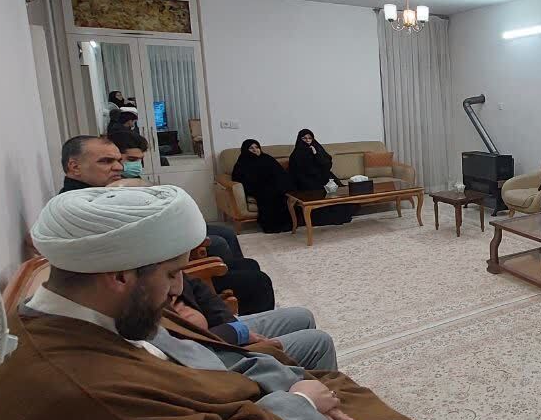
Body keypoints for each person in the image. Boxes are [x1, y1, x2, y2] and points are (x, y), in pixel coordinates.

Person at [0, 186, 488, 420]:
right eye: (171, 274)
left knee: (339, 388)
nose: (177, 290)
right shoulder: (78, 392)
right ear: (118, 276)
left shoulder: (68, 317)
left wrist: (279, 378)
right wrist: (301, 404)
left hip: (240, 397)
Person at [59, 136, 269, 312]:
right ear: (74, 166)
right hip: (160, 284)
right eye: (106, 161)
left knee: (249, 264)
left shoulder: (99, 192)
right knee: (257, 280)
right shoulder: (83, 207)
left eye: (118, 160)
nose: (118, 167)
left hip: (169, 271)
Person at [171, 275, 336, 371]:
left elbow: (196, 287)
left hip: (219, 331)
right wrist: (239, 336)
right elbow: (186, 341)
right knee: (320, 342)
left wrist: (236, 329)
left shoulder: (163, 264)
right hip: (207, 356)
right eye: (171, 273)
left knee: (302, 316)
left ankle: (302, 382)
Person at [288, 129, 353, 225]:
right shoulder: (296, 154)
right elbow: (296, 172)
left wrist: (316, 154)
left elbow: (327, 164)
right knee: (315, 190)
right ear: (299, 139)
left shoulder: (317, 148)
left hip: (323, 176)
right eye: (304, 138)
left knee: (336, 188)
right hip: (306, 180)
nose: (307, 140)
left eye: (310, 138)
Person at [232, 138, 294, 233]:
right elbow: (239, 178)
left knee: (283, 191)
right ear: (245, 150)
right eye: (251, 148)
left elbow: (279, 172)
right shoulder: (242, 162)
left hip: (273, 184)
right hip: (256, 187)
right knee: (268, 194)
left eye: (257, 147)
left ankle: (288, 224)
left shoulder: (266, 158)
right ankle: (272, 226)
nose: (255, 150)